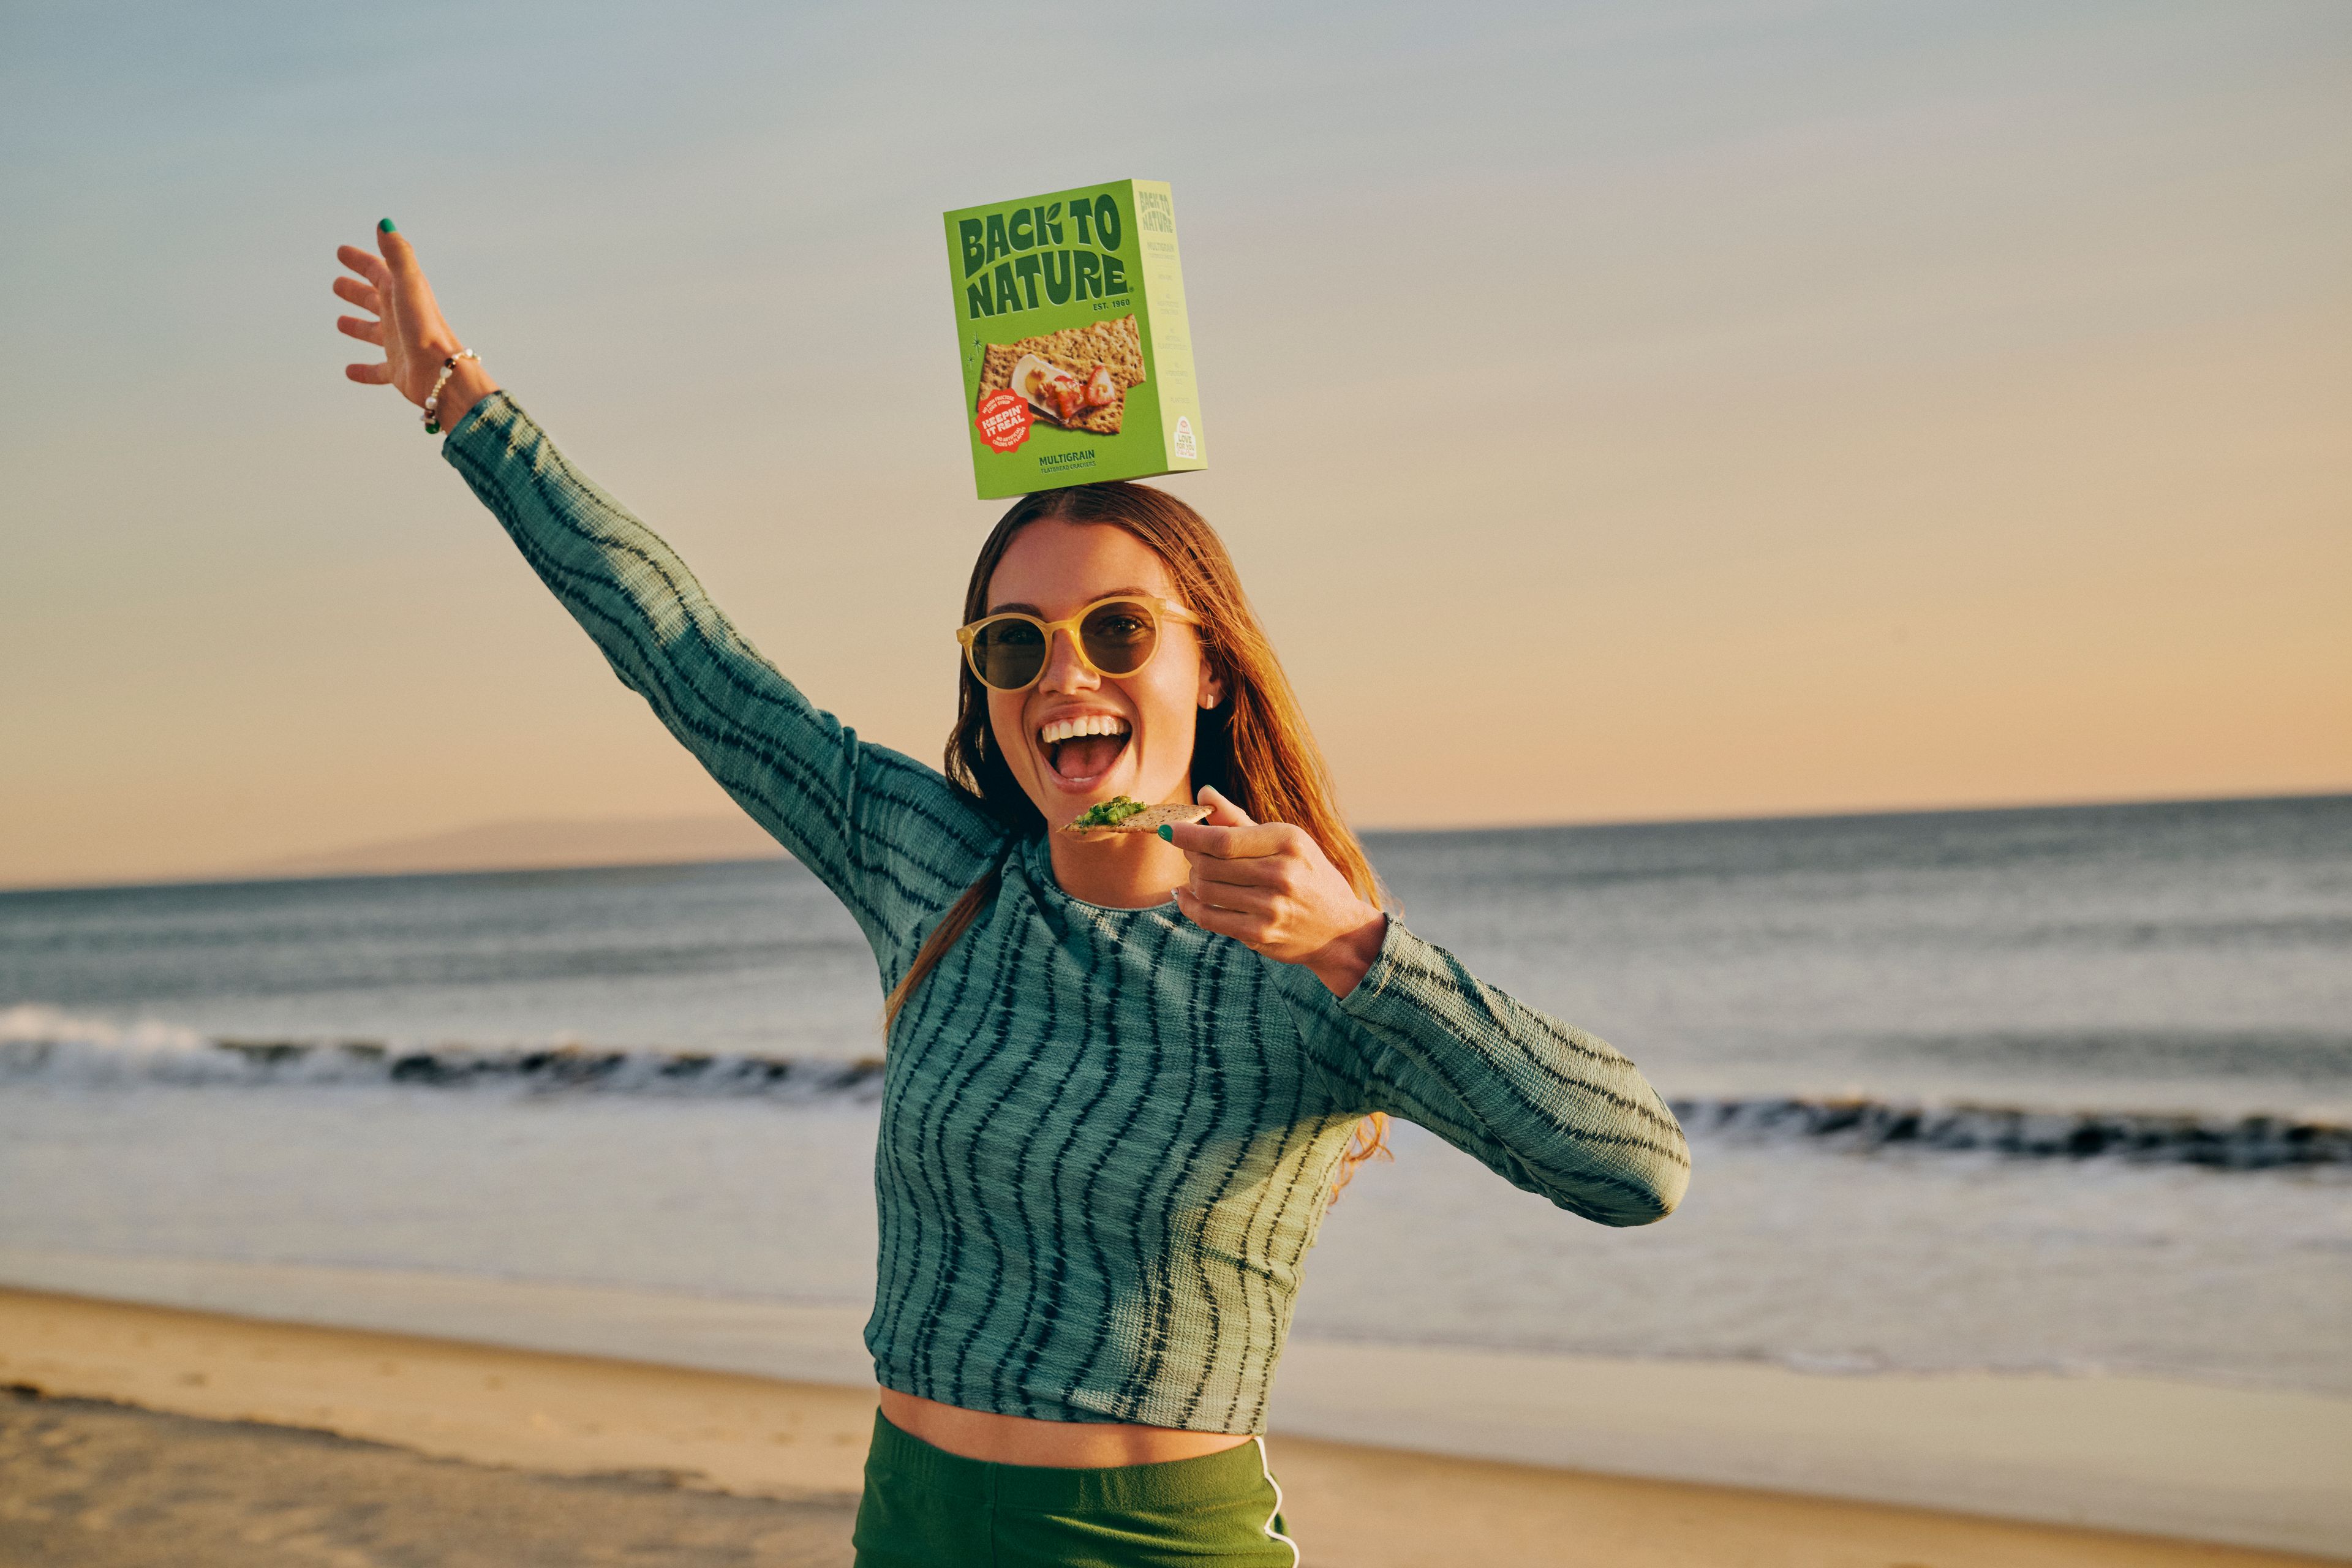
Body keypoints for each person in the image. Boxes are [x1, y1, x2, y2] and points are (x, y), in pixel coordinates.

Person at [333, 218, 1691, 1567]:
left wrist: (1359, 944)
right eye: (1016, 640)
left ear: (1208, 667)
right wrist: (463, 399)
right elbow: (686, 651)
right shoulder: (934, 869)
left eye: (1118, 630)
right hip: (911, 1524)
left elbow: (1635, 1168)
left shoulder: (1304, 962)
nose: (1064, 672)